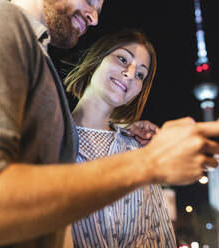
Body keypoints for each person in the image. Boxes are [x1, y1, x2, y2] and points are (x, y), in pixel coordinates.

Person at [0, 0, 219, 247]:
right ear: (96, 60)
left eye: (141, 74)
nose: (93, 17)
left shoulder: (45, 83)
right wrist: (149, 163)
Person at [64, 28, 176, 247]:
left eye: (141, 74)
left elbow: (159, 236)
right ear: (97, 59)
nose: (130, 73)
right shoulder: (50, 136)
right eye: (123, 58)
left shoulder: (139, 151)